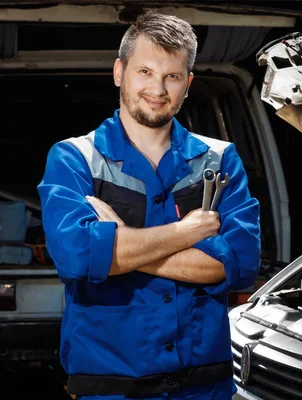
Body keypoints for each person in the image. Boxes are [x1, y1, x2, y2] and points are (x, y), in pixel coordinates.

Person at [37, 10, 260, 400]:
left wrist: (117, 246)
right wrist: (185, 234)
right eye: (144, 72)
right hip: (110, 387)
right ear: (119, 72)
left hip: (204, 386)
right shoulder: (75, 158)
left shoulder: (220, 160)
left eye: (172, 76)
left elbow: (239, 265)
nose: (157, 88)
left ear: (187, 84)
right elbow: (75, 256)